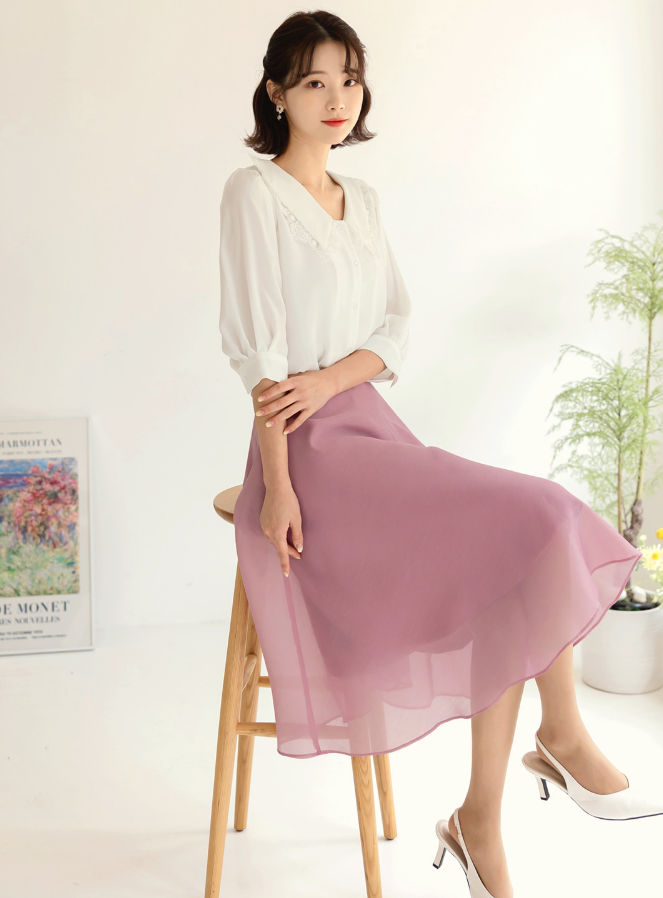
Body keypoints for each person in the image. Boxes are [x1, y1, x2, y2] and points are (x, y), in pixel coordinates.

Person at [217, 11, 662, 898]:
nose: (336, 98)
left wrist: (333, 376)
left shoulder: (363, 200)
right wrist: (279, 486)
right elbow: (260, 355)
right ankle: (557, 741)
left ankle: (483, 812)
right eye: (313, 82)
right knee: (530, 519)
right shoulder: (252, 192)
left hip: (368, 424)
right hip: (305, 453)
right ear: (276, 93)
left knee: (531, 527)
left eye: (349, 79)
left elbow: (393, 333)